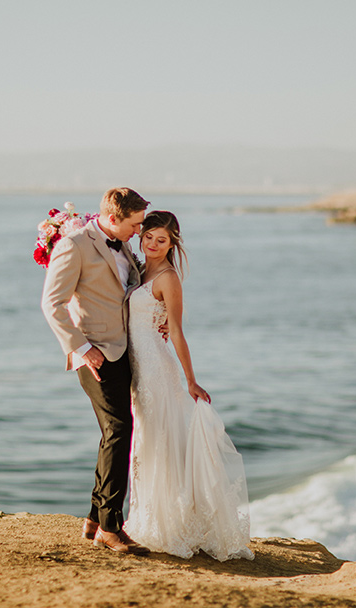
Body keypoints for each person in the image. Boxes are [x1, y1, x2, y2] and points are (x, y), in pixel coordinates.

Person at [124, 210, 253, 561]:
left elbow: (177, 331)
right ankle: (150, 516)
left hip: (156, 369)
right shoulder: (138, 267)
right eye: (148, 236)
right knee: (147, 441)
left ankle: (173, 525)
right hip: (137, 366)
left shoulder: (168, 277)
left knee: (161, 441)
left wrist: (191, 381)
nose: (152, 244)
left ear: (172, 243)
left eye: (161, 240)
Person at [40, 187, 151, 555]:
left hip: (125, 350)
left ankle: (94, 517)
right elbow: (51, 303)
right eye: (135, 225)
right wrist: (83, 348)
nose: (138, 231)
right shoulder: (74, 245)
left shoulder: (121, 244)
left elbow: (127, 292)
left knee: (113, 432)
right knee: (120, 430)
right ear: (115, 218)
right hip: (95, 353)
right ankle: (109, 528)